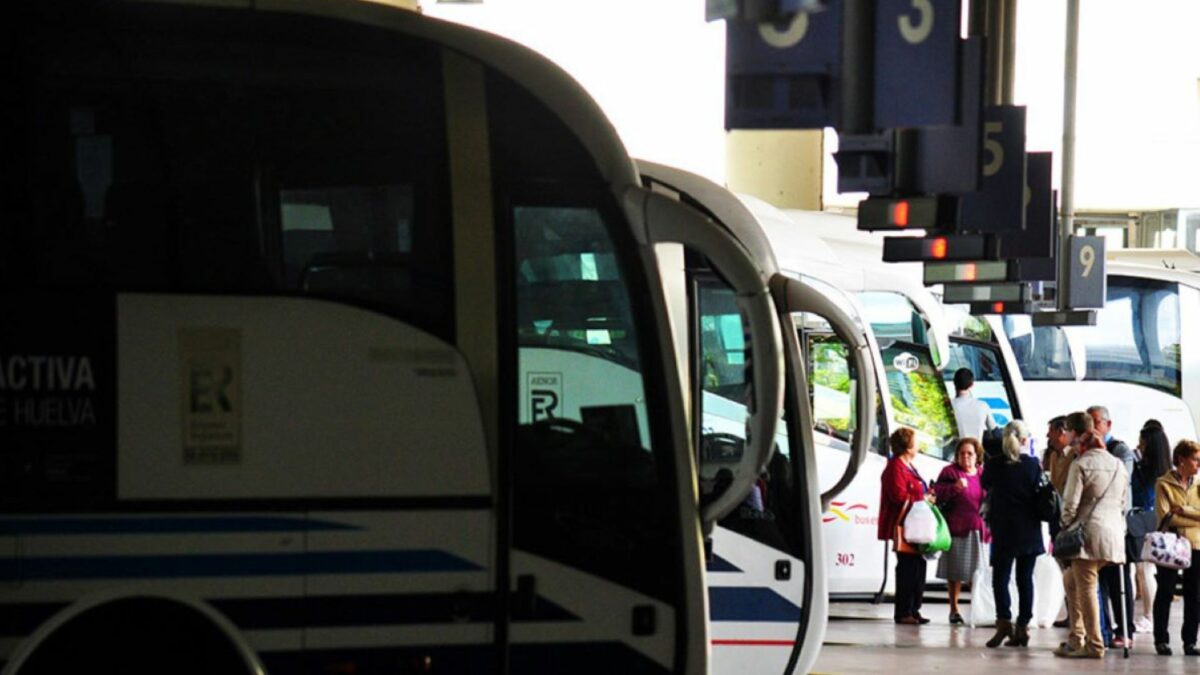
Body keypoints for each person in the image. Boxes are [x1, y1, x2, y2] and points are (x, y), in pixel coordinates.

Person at [1055, 430, 1129, 659]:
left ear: (1083, 446)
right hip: (1114, 534)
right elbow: (1123, 502)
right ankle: (1076, 636)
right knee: (1071, 580)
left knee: (1087, 586)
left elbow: (1070, 504)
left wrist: (1067, 525)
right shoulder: (1119, 465)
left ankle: (1095, 644)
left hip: (1087, 534)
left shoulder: (1081, 464)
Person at [980, 420, 1044, 647]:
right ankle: (1023, 627)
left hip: (1003, 528)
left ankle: (1003, 623)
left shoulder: (994, 464)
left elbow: (985, 485)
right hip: (1029, 529)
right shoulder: (1033, 464)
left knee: (1001, 578)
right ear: (1025, 440)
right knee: (1025, 579)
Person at [1089, 405, 1136, 648]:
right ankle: (1103, 631)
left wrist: (1101, 452)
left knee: (1119, 580)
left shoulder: (1121, 450)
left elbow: (1121, 478)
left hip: (1118, 526)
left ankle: (1126, 628)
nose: (1093, 426)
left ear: (1108, 424)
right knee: (1098, 582)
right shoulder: (1083, 452)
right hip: (1094, 525)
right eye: (1090, 421)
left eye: (1097, 421)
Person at [878, 427, 933, 625]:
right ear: (907, 445)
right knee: (908, 569)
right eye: (915, 441)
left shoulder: (909, 466)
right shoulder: (895, 467)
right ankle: (903, 611)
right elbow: (898, 495)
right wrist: (922, 498)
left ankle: (914, 608)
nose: (918, 445)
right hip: (905, 525)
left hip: (916, 526)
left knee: (918, 567)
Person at [1152, 439, 1200, 656]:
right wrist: (1193, 516)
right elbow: (1166, 517)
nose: (1198, 464)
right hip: (1171, 545)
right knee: (1165, 591)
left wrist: (1184, 510)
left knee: (1195, 594)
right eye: (1195, 460)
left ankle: (1190, 641)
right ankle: (1161, 639)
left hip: (1196, 544)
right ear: (1181, 460)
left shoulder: (1198, 485)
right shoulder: (1163, 483)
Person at [933, 437, 988, 625]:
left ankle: (977, 608)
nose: (966, 457)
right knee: (955, 573)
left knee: (977, 573)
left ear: (977, 456)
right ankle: (954, 609)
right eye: (962, 453)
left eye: (970, 453)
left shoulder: (982, 474)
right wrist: (954, 489)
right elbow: (936, 494)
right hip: (956, 528)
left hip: (978, 530)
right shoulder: (950, 472)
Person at [1134, 424, 1172, 634]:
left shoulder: (1145, 470)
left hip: (1144, 521)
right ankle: (1149, 615)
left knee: (1144, 569)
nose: (1139, 446)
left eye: (1142, 442)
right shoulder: (1165, 470)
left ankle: (1149, 615)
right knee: (1145, 570)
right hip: (1156, 521)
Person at [1043, 415, 1076, 628]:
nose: (1048, 435)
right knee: (1063, 566)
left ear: (1062, 432)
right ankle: (1071, 613)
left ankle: (1077, 615)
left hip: (1070, 520)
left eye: (1051, 431)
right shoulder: (1054, 456)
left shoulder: (1075, 456)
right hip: (1057, 518)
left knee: (1074, 568)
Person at [951, 368, 996, 441]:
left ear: (954, 382)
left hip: (953, 451)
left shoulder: (947, 406)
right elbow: (995, 432)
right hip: (976, 451)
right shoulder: (982, 406)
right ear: (972, 385)